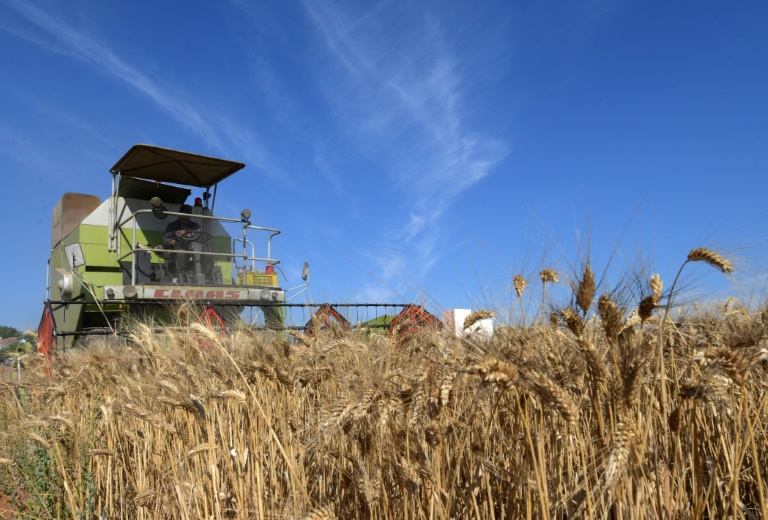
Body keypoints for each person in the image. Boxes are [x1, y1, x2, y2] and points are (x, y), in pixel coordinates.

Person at [163, 204, 201, 276]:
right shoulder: (172, 225)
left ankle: (204, 274)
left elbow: (199, 235)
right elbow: (166, 238)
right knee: (181, 252)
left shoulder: (195, 226)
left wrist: (187, 234)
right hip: (178, 249)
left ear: (190, 216)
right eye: (183, 214)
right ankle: (180, 275)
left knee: (207, 255)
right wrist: (169, 241)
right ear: (179, 214)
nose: (184, 217)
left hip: (193, 250)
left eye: (187, 215)